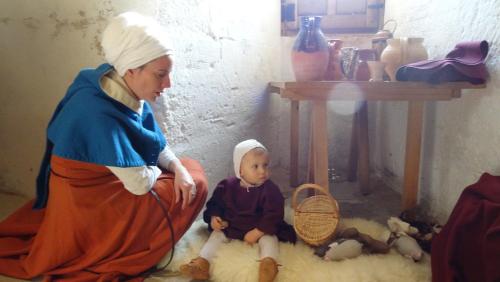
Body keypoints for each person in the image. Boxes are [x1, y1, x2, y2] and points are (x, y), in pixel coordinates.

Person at [0, 11, 208, 281]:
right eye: (161, 74)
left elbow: (155, 144)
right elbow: (140, 184)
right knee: (197, 184)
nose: (168, 84)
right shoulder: (96, 112)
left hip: (111, 183)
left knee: (189, 171)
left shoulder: (117, 84)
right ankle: (132, 253)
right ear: (133, 70)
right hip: (89, 205)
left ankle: (139, 237)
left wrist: (177, 168)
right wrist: (164, 170)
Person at [179, 139, 296, 282]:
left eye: (265, 165)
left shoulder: (269, 190)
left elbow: (274, 213)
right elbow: (215, 203)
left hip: (259, 226)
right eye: (256, 166)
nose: (262, 171)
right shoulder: (227, 186)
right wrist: (214, 218)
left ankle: (268, 265)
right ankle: (202, 263)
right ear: (240, 170)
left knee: (270, 239)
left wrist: (258, 231)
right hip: (233, 225)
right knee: (216, 235)